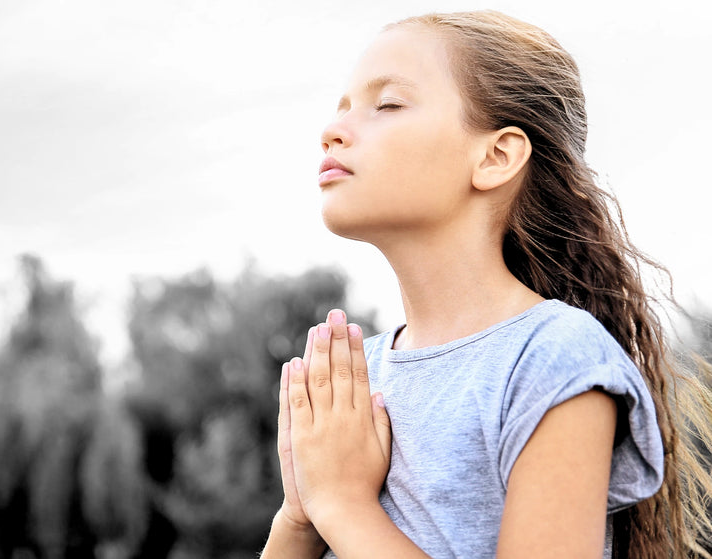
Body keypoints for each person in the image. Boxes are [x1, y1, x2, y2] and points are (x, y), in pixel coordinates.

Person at [260, 10, 712, 559]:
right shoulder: (355, 377)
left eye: (388, 105)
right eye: (343, 108)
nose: (333, 130)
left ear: (496, 156)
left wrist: (342, 505)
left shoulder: (553, 358)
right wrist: (299, 516)